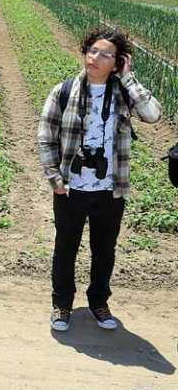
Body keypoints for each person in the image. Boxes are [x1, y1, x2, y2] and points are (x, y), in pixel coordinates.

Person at [38, 28, 162, 332]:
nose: (96, 57)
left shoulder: (122, 93)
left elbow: (153, 114)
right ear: (84, 52)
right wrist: (55, 178)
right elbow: (45, 135)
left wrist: (128, 79)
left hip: (110, 189)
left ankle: (99, 302)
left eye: (106, 54)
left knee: (104, 250)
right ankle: (62, 304)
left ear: (118, 62)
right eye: (92, 50)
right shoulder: (64, 90)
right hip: (70, 189)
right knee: (65, 248)